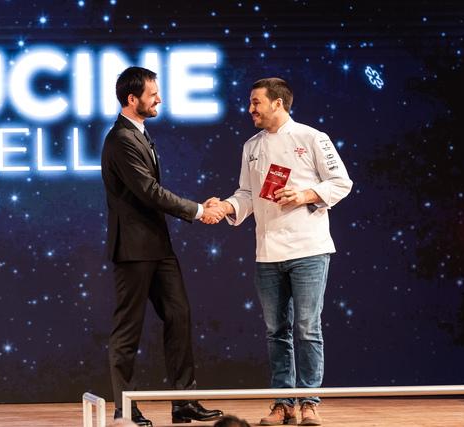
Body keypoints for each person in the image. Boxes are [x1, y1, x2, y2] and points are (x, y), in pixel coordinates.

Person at [209, 78, 353, 426]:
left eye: (256, 102)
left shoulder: (312, 138)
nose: (250, 109)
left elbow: (341, 182)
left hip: (308, 248)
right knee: (276, 331)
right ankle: (282, 403)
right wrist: (226, 206)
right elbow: (247, 194)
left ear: (278, 103)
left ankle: (310, 403)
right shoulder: (251, 146)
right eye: (250, 103)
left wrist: (304, 195)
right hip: (268, 252)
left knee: (307, 328)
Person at [101, 66, 224, 426]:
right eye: (153, 94)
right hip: (133, 249)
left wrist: (199, 209)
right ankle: (125, 408)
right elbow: (149, 192)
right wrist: (198, 210)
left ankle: (184, 402)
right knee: (128, 330)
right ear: (132, 99)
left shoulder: (140, 134)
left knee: (178, 316)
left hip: (159, 246)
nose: (159, 99)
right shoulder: (121, 139)